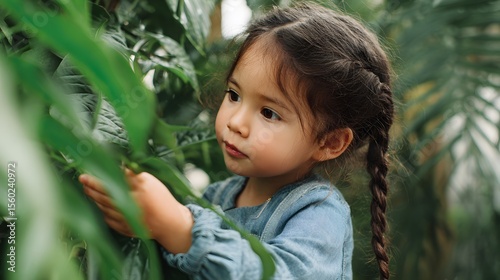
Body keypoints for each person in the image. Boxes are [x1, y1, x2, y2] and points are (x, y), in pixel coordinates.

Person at [79, 2, 394, 279]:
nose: (236, 122)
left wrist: (179, 227)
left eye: (269, 113)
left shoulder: (320, 214)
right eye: (234, 95)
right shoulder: (220, 196)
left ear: (330, 142)